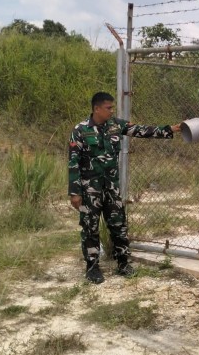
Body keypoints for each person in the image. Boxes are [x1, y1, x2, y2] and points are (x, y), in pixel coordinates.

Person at [68, 91, 180, 284]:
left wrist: (170, 129)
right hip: (89, 191)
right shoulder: (80, 130)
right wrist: (74, 192)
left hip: (112, 189)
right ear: (96, 108)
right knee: (90, 228)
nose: (112, 111)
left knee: (119, 226)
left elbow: (141, 130)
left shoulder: (116, 126)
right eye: (108, 108)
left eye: (112, 108)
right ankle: (92, 268)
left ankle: (123, 264)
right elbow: (73, 163)